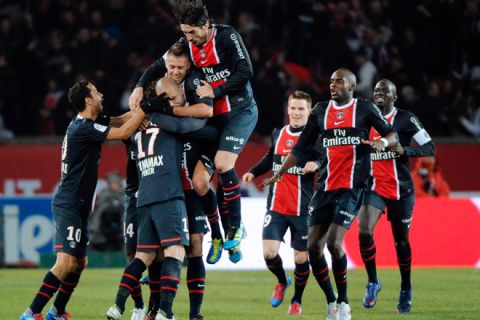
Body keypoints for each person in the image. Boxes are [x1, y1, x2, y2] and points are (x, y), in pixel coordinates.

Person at [265, 68, 397, 320]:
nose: (333, 84)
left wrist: (383, 142)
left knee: (334, 243)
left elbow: (391, 133)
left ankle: (345, 303)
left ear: (352, 87)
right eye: (331, 80)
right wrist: (280, 171)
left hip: (352, 188)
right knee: (314, 248)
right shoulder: (320, 112)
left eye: (339, 81)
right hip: (324, 188)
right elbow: (302, 147)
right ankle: (332, 300)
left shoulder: (365, 109)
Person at [129, 0, 258, 257]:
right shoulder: (187, 42)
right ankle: (221, 236)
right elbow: (159, 64)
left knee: (223, 164)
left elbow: (246, 69)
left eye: (192, 32)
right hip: (214, 120)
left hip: (240, 112)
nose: (188, 37)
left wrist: (217, 90)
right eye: (184, 32)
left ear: (206, 25)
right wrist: (139, 85)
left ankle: (235, 227)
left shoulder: (227, 36)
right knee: (200, 181)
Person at [19, 79, 152, 320]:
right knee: (65, 262)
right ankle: (31, 312)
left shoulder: (91, 122)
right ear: (88, 100)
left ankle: (57, 311)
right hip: (68, 203)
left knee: (79, 261)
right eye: (96, 92)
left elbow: (120, 120)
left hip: (79, 205)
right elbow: (123, 131)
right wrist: (149, 105)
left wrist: (141, 111)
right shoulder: (82, 128)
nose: (101, 94)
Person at [358, 79, 435, 313]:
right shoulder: (366, 116)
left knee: (401, 243)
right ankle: (373, 281)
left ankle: (405, 289)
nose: (379, 93)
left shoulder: (406, 119)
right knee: (364, 230)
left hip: (401, 191)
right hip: (375, 187)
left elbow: (430, 147)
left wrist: (405, 151)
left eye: (385, 91)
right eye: (377, 90)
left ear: (394, 98)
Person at [243, 91, 316, 316]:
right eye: (292, 108)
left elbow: (326, 158)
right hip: (276, 205)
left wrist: (317, 163)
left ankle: (297, 300)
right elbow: (270, 157)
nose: (295, 113)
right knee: (269, 253)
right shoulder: (279, 133)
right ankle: (283, 281)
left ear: (309, 111)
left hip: (302, 209)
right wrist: (253, 172)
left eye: (300, 109)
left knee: (301, 258)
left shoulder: (315, 136)